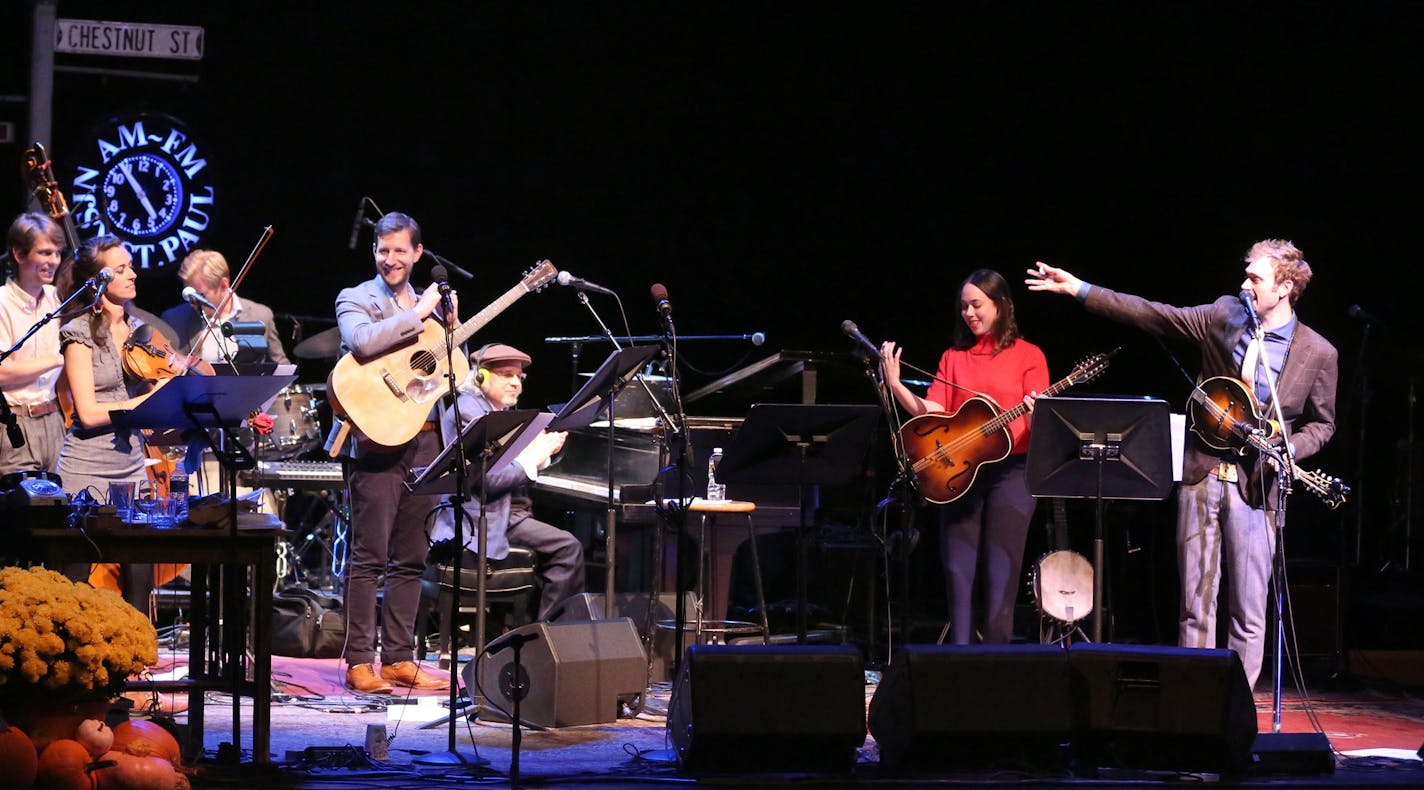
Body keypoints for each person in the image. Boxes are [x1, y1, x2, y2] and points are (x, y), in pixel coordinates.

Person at [1025, 240, 1338, 688]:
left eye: (1255, 278)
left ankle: (1237, 708)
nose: (1244, 284)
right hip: (1203, 473)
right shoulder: (1224, 315)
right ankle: (1193, 704)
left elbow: (1322, 425)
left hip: (1258, 485)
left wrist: (1288, 449)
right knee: (1195, 603)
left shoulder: (1319, 352)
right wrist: (1080, 290)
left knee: (1248, 611)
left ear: (1285, 287)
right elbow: (1152, 313)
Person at [880, 268, 1049, 644]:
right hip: (960, 473)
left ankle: (997, 665)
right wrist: (896, 387)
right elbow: (933, 412)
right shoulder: (954, 357)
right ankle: (957, 662)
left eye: (977, 305)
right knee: (958, 573)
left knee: (1001, 574)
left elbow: (1038, 423)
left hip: (1013, 472)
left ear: (1001, 305)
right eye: (964, 307)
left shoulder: (1029, 356)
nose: (969, 314)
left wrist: (1037, 412)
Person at [334, 211, 452, 694]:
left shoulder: (433, 303)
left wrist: (449, 328)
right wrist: (419, 314)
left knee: (410, 557)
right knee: (369, 556)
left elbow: (447, 369)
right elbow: (359, 341)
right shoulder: (356, 298)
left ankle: (400, 659)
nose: (390, 259)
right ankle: (360, 660)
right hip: (376, 440)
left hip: (426, 436)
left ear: (417, 253)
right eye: (383, 250)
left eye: (400, 250)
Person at [55, 235, 177, 610]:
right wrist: (143, 402)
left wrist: (171, 403)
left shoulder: (141, 332)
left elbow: (159, 396)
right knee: (73, 581)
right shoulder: (78, 332)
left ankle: (137, 658)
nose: (133, 274)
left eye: (131, 266)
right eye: (121, 269)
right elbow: (88, 414)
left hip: (131, 470)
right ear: (97, 281)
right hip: (85, 472)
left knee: (140, 581)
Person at [431, 343, 582, 624]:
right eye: (506, 375)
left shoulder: (495, 411)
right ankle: (545, 636)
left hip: (506, 512)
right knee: (567, 548)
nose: (515, 383)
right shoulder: (470, 414)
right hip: (480, 517)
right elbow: (487, 480)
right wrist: (535, 458)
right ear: (480, 377)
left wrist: (538, 452)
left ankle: (526, 632)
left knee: (559, 546)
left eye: (519, 377)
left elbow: (509, 464)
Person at [0, 213, 67, 476]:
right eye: (45, 252)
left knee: (62, 509)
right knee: (21, 511)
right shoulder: (2, 303)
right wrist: (57, 359)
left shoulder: (58, 298)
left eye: (57, 253)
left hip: (54, 421)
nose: (54, 261)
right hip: (13, 423)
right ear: (19, 254)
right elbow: (2, 373)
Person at [158, 248, 290, 366]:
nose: (193, 302)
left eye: (200, 295)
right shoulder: (174, 319)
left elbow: (281, 366)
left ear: (224, 285)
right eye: (189, 294)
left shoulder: (260, 315)